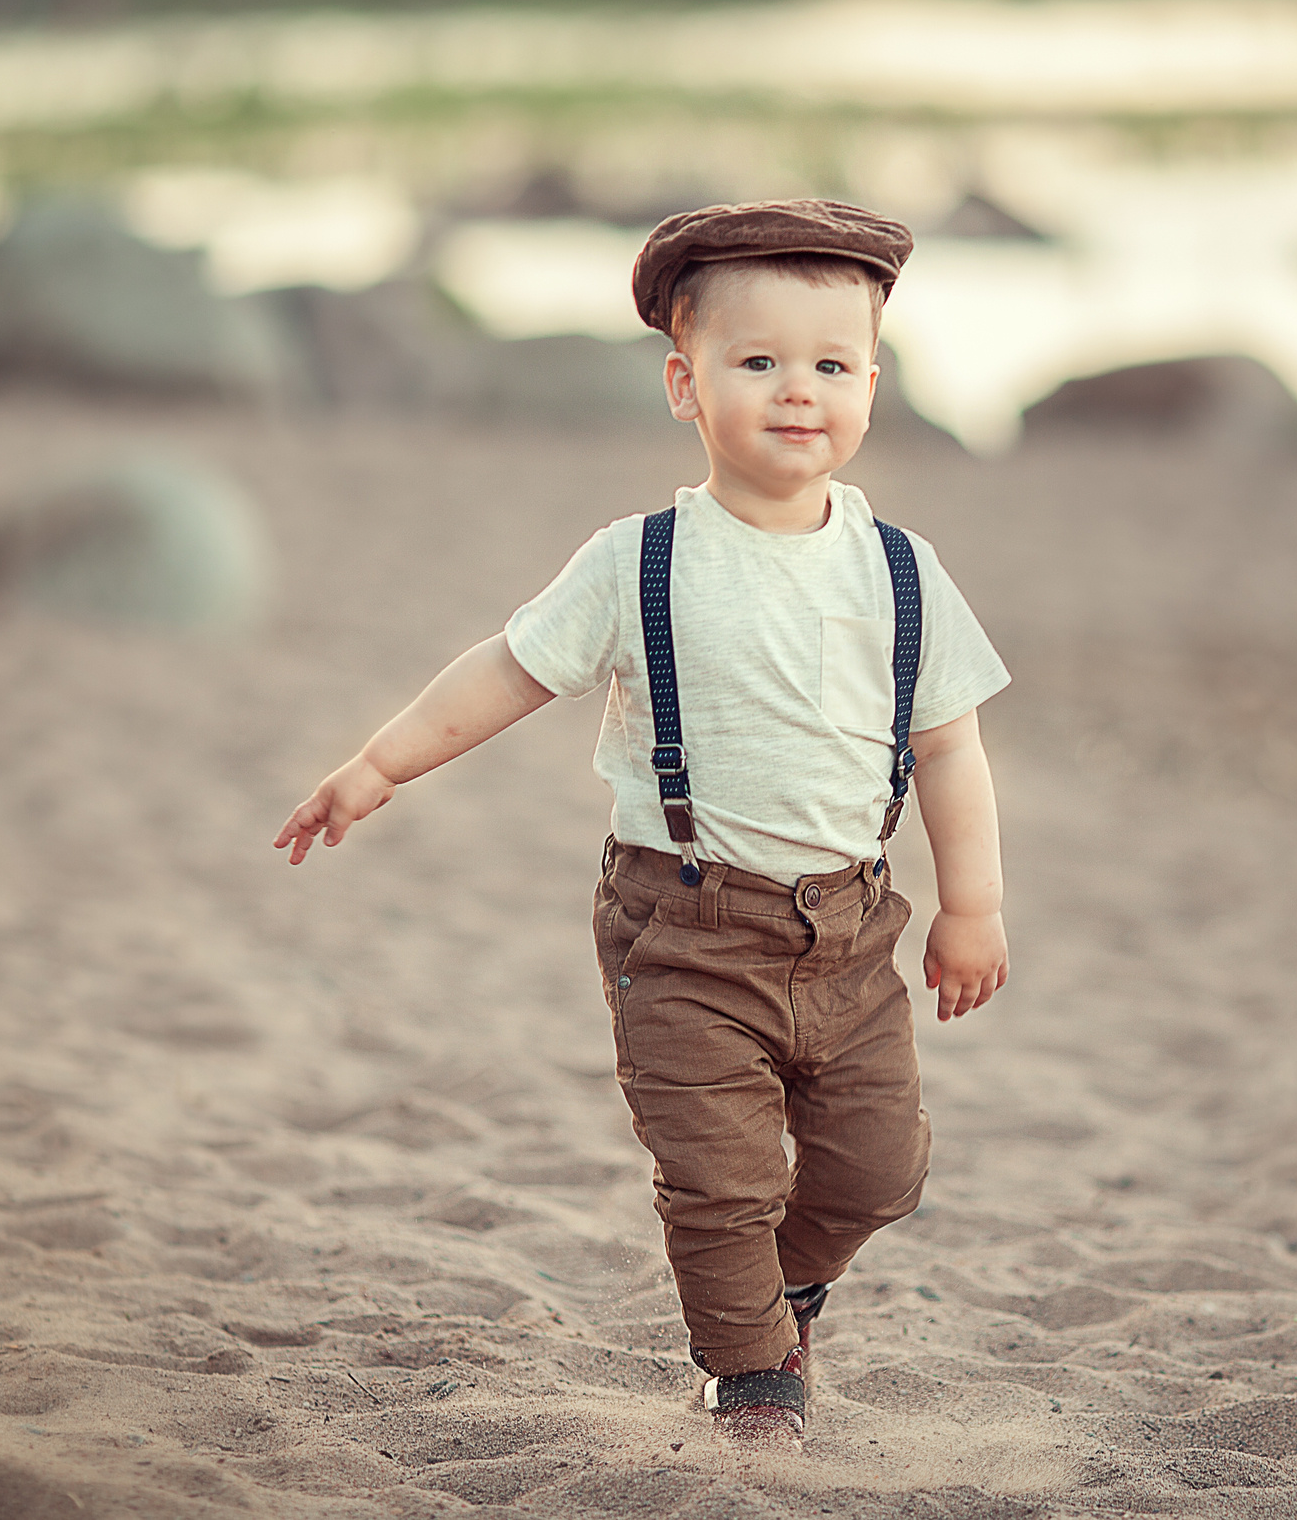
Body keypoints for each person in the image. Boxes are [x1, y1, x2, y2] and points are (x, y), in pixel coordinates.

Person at [272, 198, 1012, 1447]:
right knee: (715, 1177)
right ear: (686, 383)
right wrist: (378, 763)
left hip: (848, 927)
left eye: (831, 364)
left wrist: (973, 905)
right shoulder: (643, 559)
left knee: (878, 1169)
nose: (797, 389)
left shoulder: (900, 568)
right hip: (680, 923)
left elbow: (948, 744)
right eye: (757, 361)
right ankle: (752, 1374)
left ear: (873, 387)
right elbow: (505, 669)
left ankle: (786, 1286)